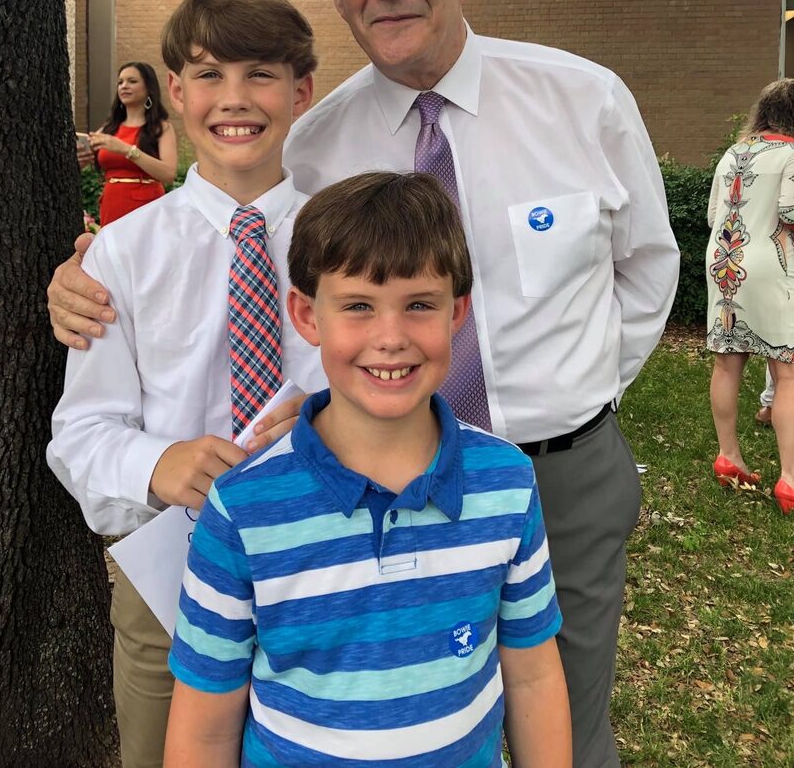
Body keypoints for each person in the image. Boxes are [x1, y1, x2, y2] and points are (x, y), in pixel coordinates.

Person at [48, 0, 679, 768]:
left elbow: (650, 269)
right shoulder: (313, 150)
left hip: (538, 478)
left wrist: (577, 397)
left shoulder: (584, 99)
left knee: (553, 715)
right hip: (261, 537)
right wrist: (79, 275)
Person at [164, 171, 571, 768]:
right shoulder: (242, 508)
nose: (390, 338)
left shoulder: (506, 482)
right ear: (306, 314)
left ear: (457, 311)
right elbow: (203, 728)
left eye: (419, 305)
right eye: (358, 306)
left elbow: (533, 677)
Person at [47, 0, 326, 768]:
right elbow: (81, 429)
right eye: (208, 73)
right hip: (171, 579)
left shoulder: (347, 239)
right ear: (175, 89)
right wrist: (158, 462)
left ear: (301, 90)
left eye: (260, 73)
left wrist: (342, 414)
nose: (233, 98)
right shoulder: (122, 253)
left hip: (326, 561)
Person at [706, 79, 794, 514]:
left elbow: (711, 214)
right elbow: (792, 214)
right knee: (788, 374)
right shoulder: (792, 154)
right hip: (770, 262)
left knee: (727, 362)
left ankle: (729, 456)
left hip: (723, 258)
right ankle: (791, 479)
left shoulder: (733, 153)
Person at [83, 60, 178, 225]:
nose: (124, 86)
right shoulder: (108, 129)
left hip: (146, 205)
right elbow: (87, 162)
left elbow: (168, 174)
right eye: (120, 82)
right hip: (111, 203)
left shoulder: (161, 128)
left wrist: (127, 150)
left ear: (149, 88)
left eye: (132, 81)